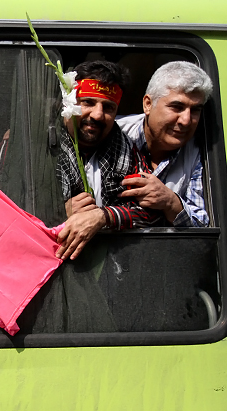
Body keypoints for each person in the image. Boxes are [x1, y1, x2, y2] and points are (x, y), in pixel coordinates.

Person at [55, 60, 159, 261]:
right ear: (69, 101)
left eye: (108, 107)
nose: (97, 114)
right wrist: (56, 213)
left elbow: (152, 213)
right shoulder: (31, 145)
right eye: (88, 102)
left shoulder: (127, 151)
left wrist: (103, 217)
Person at [117, 61, 213, 227]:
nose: (186, 120)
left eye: (195, 110)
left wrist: (170, 202)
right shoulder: (115, 133)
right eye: (177, 107)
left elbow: (204, 225)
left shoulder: (201, 151)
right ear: (148, 104)